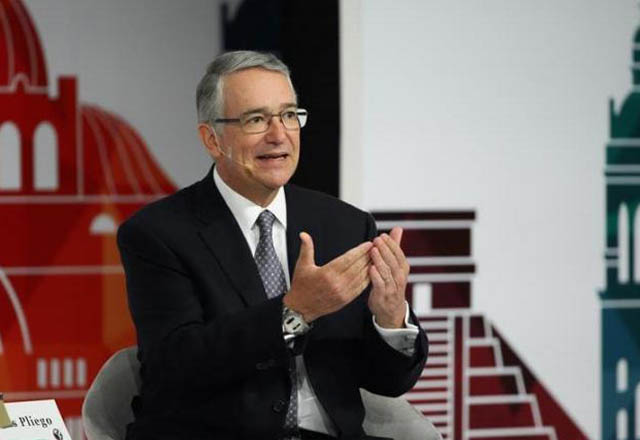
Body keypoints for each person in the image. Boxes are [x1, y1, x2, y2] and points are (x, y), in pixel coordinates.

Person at [117, 50, 428, 440]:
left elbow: (388, 382)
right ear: (212, 139)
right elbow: (175, 367)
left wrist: (391, 317)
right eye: (256, 119)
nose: (279, 135)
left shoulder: (346, 225)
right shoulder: (158, 233)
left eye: (289, 115)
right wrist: (294, 312)